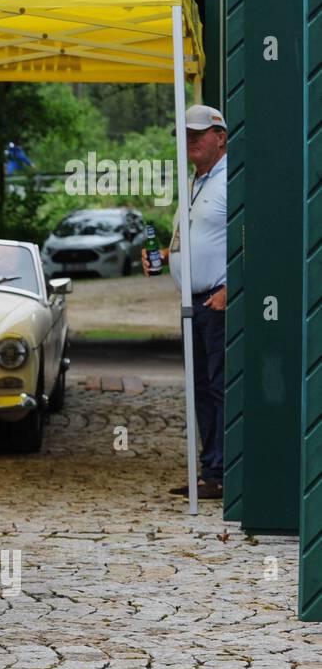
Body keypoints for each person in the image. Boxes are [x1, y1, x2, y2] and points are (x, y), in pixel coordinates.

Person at [142, 104, 227, 501]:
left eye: (198, 134)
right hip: (192, 302)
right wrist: (161, 254)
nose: (190, 141)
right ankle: (211, 471)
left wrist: (232, 290)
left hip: (217, 301)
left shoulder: (234, 180)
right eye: (185, 135)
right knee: (200, 388)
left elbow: (254, 239)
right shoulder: (194, 182)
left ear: (221, 136)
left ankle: (224, 471)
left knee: (219, 386)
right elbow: (190, 239)